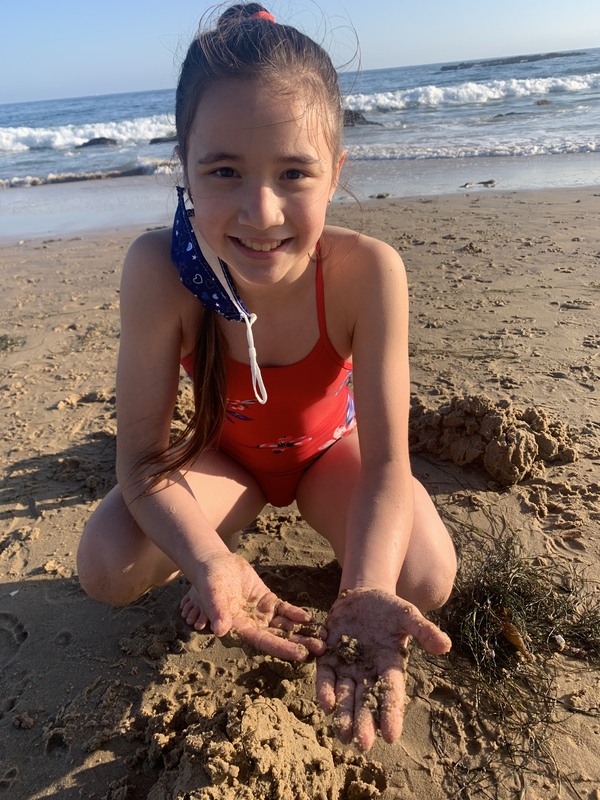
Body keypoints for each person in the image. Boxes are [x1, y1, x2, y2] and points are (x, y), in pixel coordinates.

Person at [77, 3, 457, 752]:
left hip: (328, 460)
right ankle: (228, 544)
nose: (261, 210)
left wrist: (364, 591)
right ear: (181, 164)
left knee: (425, 576)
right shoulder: (159, 271)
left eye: (293, 172)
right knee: (106, 563)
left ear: (337, 170)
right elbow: (144, 462)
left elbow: (386, 466)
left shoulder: (367, 272)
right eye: (223, 171)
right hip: (228, 466)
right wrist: (210, 560)